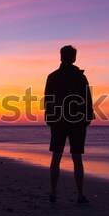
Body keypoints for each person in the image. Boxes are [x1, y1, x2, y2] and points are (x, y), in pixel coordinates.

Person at [44, 45, 94, 203]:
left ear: (61, 57)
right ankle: (80, 194)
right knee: (77, 157)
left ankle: (53, 193)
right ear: (73, 58)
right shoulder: (80, 77)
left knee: (56, 156)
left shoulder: (53, 76)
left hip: (59, 121)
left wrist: (50, 118)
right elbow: (87, 100)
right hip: (76, 121)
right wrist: (87, 118)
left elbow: (48, 100)